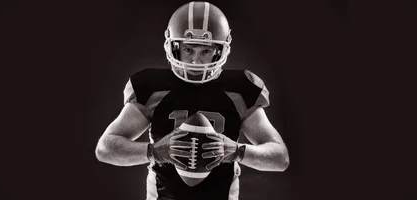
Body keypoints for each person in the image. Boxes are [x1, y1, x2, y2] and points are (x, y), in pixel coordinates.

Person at [95, 1, 289, 200]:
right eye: (189, 50)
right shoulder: (152, 87)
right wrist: (154, 151)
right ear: (174, 46)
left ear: (220, 50)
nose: (196, 61)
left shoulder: (239, 89)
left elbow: (280, 157)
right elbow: (106, 148)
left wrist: (237, 151)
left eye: (205, 51)